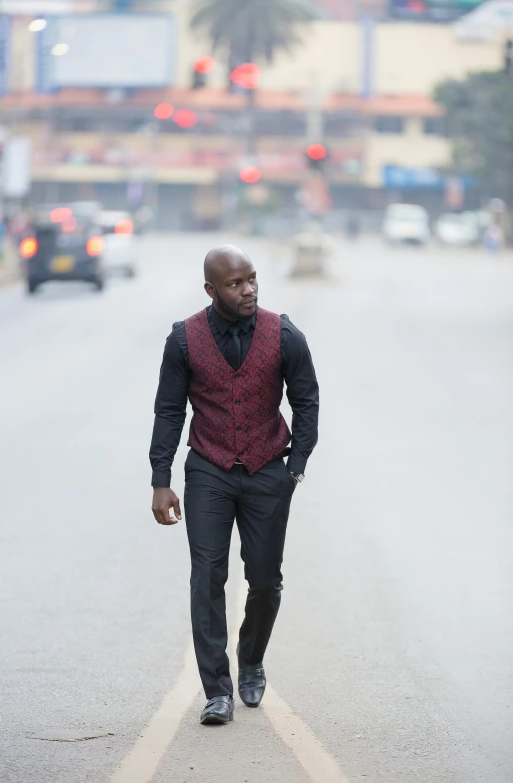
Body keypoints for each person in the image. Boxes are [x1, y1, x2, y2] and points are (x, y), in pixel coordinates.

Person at [149, 244, 319, 725]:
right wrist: (161, 479)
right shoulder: (183, 339)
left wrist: (295, 466)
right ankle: (216, 691)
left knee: (264, 582)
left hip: (268, 470)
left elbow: (307, 401)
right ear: (211, 289)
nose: (247, 290)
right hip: (208, 469)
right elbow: (168, 410)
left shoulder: (284, 334)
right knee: (207, 576)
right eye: (234, 283)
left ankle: (252, 658)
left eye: (252, 279)